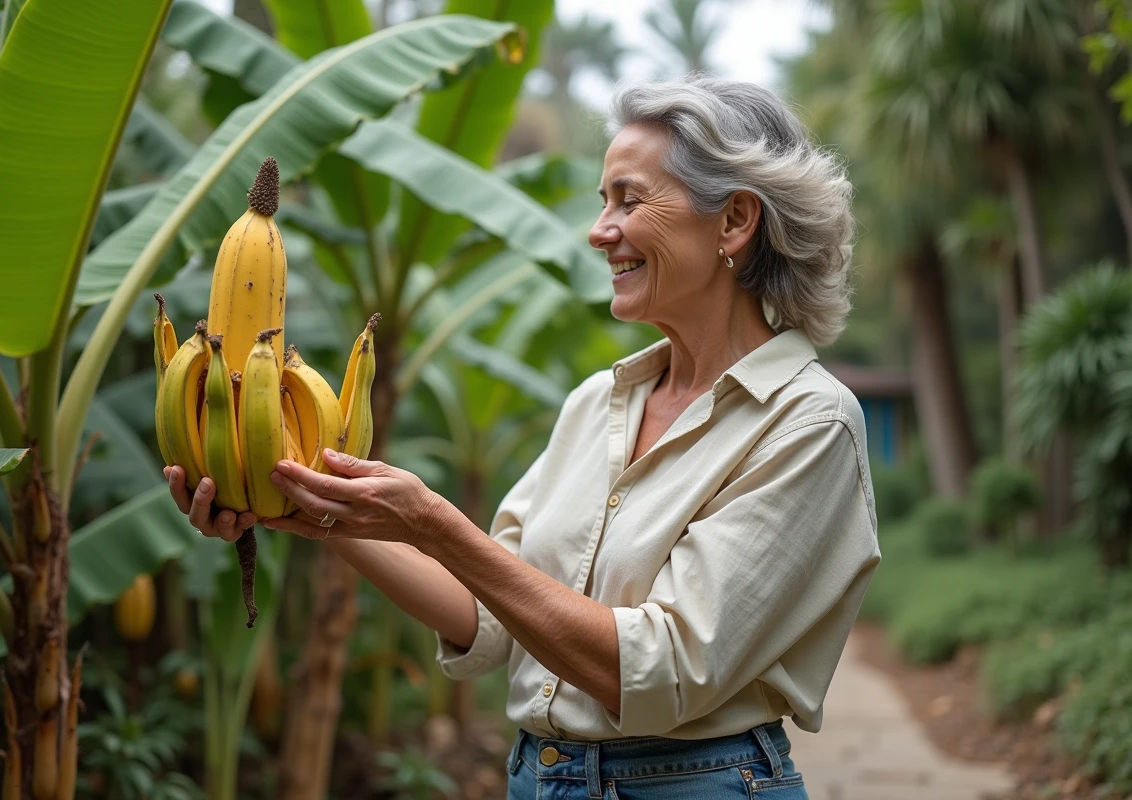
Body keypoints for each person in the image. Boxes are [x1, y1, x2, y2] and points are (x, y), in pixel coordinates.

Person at [166, 76, 880, 799]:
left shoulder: (809, 424)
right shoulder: (599, 404)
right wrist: (308, 508)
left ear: (734, 221)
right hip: (539, 780)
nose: (601, 230)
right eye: (603, 202)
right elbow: (491, 615)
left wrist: (437, 523)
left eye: (629, 200)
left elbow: (663, 670)